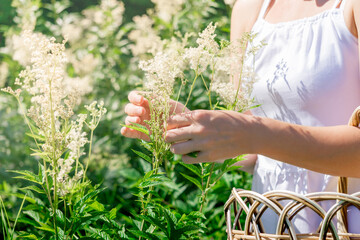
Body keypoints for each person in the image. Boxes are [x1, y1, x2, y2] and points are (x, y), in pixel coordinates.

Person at [121, 0, 360, 233]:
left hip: (348, 224)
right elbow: (256, 154)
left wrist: (252, 132)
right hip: (270, 227)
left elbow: (255, 135)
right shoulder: (249, 10)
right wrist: (190, 126)